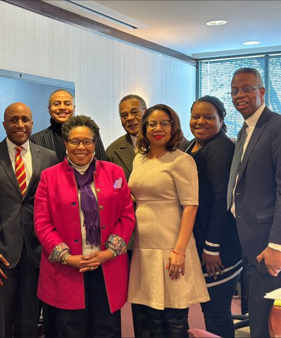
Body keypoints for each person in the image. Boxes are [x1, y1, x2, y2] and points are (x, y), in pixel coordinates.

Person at [34, 115, 134, 338]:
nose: (81, 147)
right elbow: (42, 223)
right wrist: (67, 258)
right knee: (70, 330)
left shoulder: (114, 173)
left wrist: (108, 253)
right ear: (66, 143)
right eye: (74, 141)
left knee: (106, 330)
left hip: (106, 269)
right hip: (66, 270)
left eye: (87, 141)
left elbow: (126, 216)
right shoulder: (49, 177)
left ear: (94, 143)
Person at [128, 104, 209, 338]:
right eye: (151, 123)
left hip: (172, 246)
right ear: (144, 128)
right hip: (144, 246)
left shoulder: (181, 160)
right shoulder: (139, 160)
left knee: (174, 317)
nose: (158, 128)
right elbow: (139, 195)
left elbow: (190, 206)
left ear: (173, 127)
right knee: (148, 314)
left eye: (164, 123)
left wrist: (179, 250)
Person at [0, 102, 58, 337]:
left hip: (36, 251)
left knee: (30, 319)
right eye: (13, 119)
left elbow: (53, 204)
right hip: (1, 253)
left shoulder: (48, 157)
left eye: (25, 119)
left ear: (32, 124)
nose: (20, 124)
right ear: (4, 124)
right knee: (0, 320)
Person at [227, 67, 281, 337]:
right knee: (258, 316)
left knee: (266, 322)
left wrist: (276, 244)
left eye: (247, 88)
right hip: (248, 240)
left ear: (262, 91)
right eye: (235, 90)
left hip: (267, 244)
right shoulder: (245, 130)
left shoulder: (277, 127)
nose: (240, 95)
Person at [186, 96, 242, 338]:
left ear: (221, 119)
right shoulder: (193, 144)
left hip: (219, 248)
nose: (201, 121)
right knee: (211, 309)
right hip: (205, 241)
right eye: (196, 116)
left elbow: (222, 201)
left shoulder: (219, 148)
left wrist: (211, 247)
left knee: (216, 312)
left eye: (209, 117)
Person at [30, 89, 107, 161]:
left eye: (67, 104)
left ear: (74, 108)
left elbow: (103, 166)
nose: (62, 107)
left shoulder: (91, 134)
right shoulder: (35, 140)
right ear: (49, 108)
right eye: (56, 104)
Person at [106, 94, 147, 181]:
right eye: (124, 115)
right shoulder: (112, 151)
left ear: (146, 112)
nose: (130, 118)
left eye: (134, 112)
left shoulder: (165, 142)